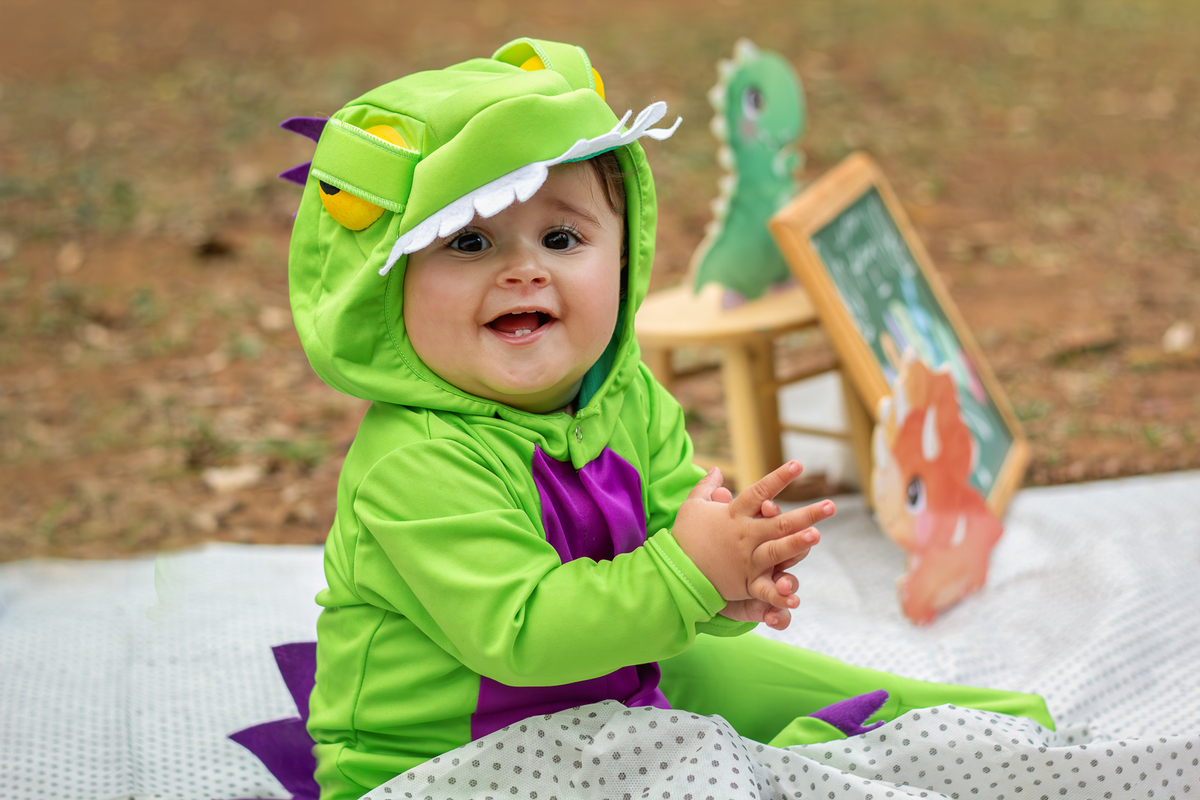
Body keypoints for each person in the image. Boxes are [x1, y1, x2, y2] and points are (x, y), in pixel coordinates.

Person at [284, 37, 1053, 800]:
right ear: (391, 292)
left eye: (562, 237)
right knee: (708, 764)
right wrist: (690, 572)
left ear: (622, 259)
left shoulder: (624, 392)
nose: (524, 269)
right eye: (470, 241)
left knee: (785, 684)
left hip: (605, 682)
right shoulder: (413, 463)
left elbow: (673, 537)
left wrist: (732, 577)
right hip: (446, 756)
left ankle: (990, 737)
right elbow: (522, 633)